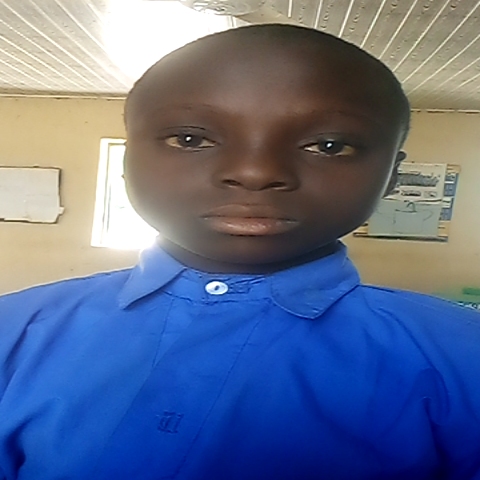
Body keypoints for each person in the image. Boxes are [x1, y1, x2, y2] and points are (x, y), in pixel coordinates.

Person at [0, 23, 479, 480]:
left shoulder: (461, 353)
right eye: (191, 139)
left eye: (329, 146)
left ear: (392, 176)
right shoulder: (15, 329)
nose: (255, 172)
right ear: (128, 159)